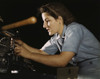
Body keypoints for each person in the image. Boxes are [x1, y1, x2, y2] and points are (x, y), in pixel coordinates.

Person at [14, 2, 100, 79]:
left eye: (47, 21)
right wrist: (22, 44)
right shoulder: (57, 37)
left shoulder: (74, 29)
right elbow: (41, 52)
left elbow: (62, 61)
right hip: (82, 68)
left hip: (96, 68)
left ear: (59, 19)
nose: (44, 26)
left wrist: (29, 55)